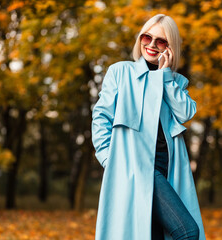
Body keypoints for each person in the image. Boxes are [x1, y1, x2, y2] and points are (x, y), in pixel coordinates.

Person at [91, 14, 206, 240]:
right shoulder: (120, 72)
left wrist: (165, 77)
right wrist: (111, 161)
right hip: (133, 165)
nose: (151, 45)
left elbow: (186, 113)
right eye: (147, 37)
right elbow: (101, 118)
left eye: (160, 41)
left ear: (170, 47)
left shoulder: (176, 81)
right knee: (187, 231)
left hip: (167, 168)